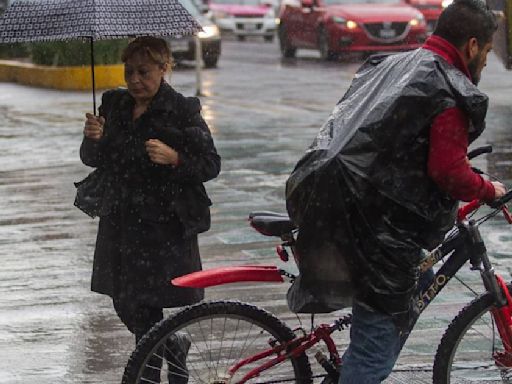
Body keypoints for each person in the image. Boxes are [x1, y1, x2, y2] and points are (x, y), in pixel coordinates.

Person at [285, 0, 505, 383]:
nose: (485, 62)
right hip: (376, 231)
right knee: (373, 357)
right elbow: (448, 172)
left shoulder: (394, 65)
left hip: (338, 203)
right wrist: (485, 187)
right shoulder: (447, 88)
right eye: (486, 51)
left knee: (410, 288)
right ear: (471, 46)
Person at [79, 36, 220, 381]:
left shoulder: (183, 109)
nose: (135, 80)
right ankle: (174, 345)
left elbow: (210, 164)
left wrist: (175, 159)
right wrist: (92, 138)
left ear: (164, 68)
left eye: (144, 72)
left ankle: (148, 375)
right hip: (121, 220)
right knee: (125, 302)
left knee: (147, 307)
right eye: (129, 72)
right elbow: (93, 159)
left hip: (163, 223)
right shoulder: (113, 104)